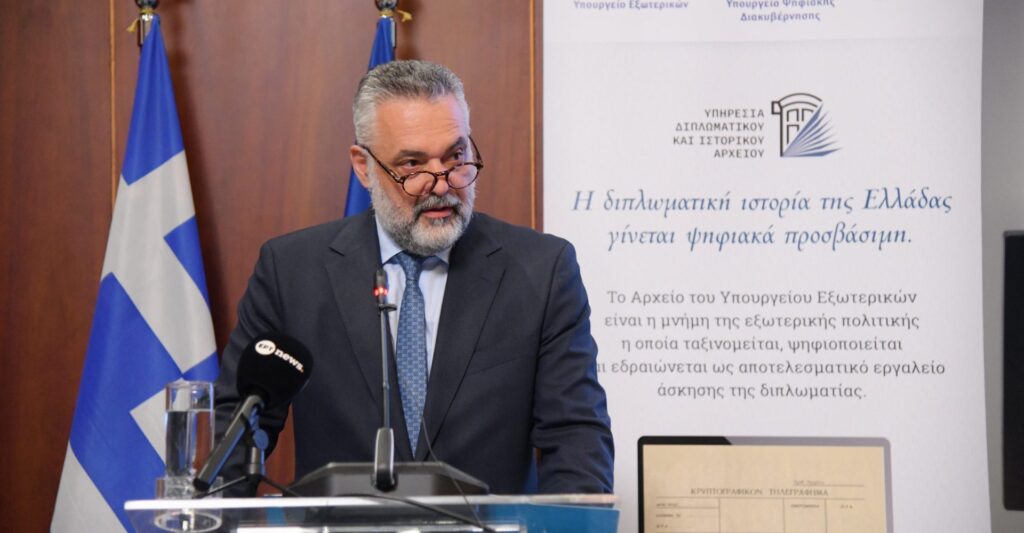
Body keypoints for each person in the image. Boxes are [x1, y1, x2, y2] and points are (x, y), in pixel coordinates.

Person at [214, 60, 613, 495]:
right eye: (412, 164)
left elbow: (575, 438)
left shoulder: (543, 270)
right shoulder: (291, 272)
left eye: (455, 156)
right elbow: (236, 428)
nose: (441, 185)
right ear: (363, 166)